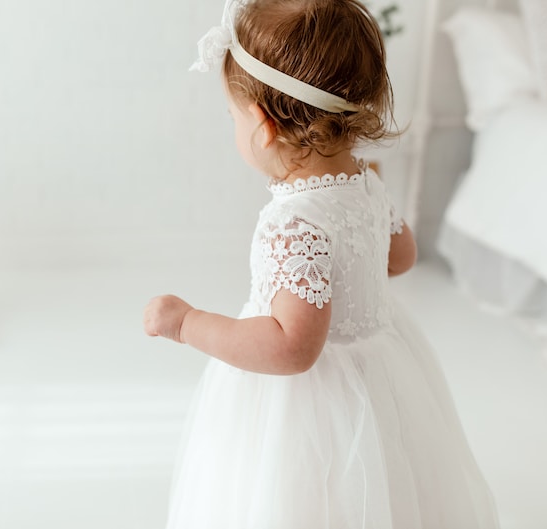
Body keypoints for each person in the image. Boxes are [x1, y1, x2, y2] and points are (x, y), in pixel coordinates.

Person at [143, 1, 500, 527]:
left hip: (311, 412)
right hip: (381, 375)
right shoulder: (365, 181)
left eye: (231, 117)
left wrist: (188, 323)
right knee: (387, 489)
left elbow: (291, 347)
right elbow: (401, 255)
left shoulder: (292, 223)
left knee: (309, 499)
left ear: (262, 126)